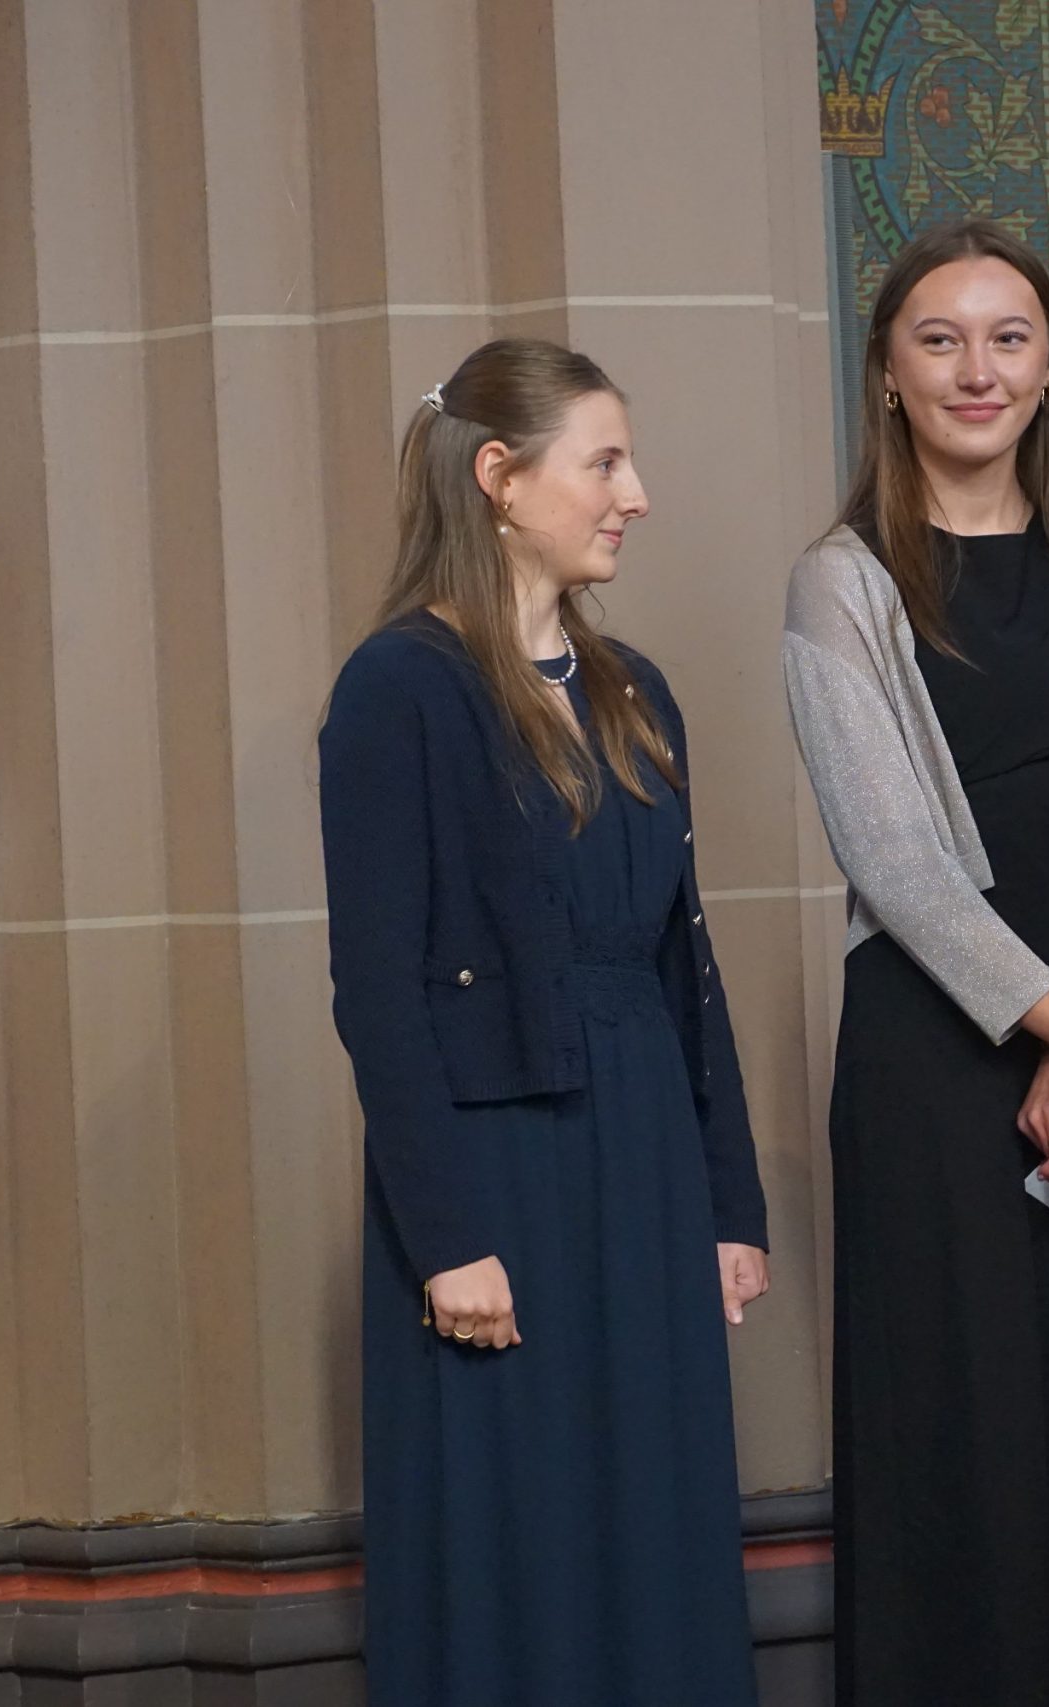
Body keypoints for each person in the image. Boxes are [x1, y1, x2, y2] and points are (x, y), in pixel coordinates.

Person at [781, 218, 1049, 1707]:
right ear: (889, 375)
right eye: (940, 340)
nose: (979, 370)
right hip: (939, 1060)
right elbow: (894, 859)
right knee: (955, 1439)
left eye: (1009, 338)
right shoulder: (842, 583)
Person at [318, 338, 768, 1706]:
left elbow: (686, 960)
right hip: (493, 1177)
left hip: (646, 1161)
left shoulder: (638, 690)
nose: (636, 494)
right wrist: (447, 1238)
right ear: (501, 479)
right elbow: (378, 993)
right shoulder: (398, 688)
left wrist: (729, 1204)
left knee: (655, 1511)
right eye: (605, 462)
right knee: (517, 1531)